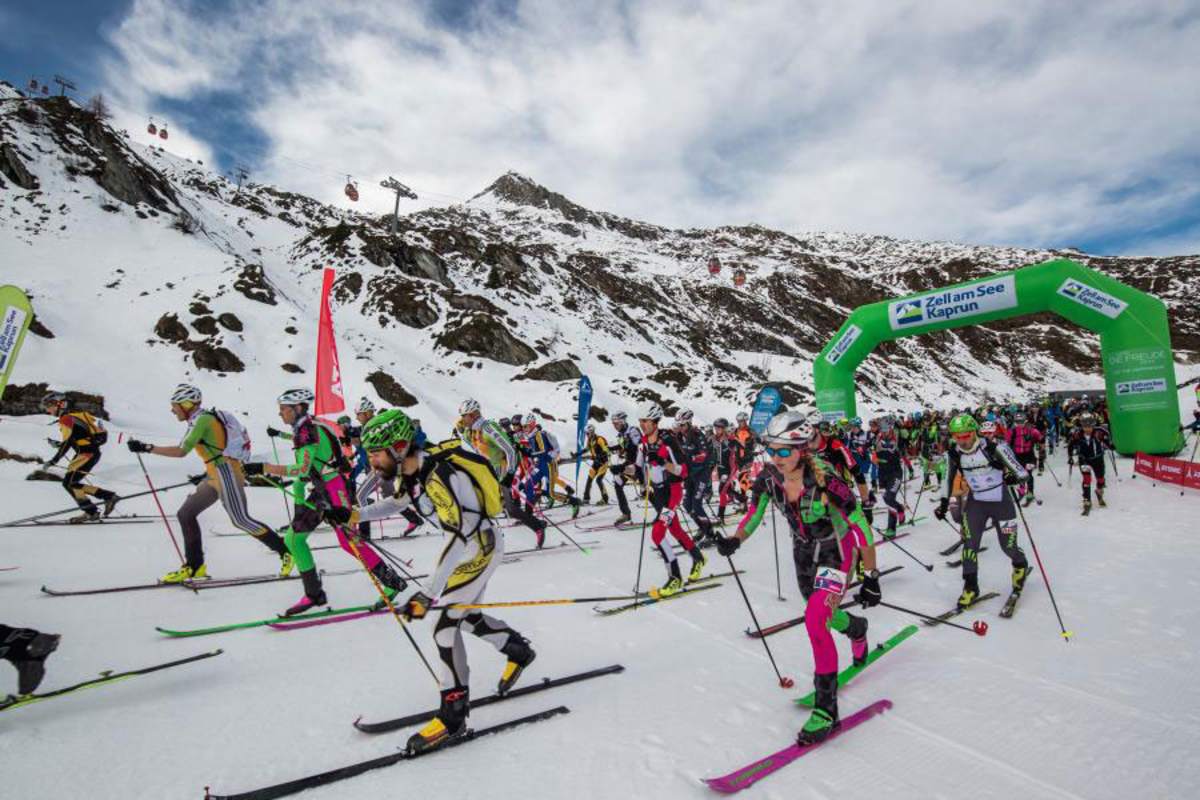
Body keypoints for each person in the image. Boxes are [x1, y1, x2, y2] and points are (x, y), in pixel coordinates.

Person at [328, 409, 535, 754]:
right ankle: (519, 650)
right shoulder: (413, 472)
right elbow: (398, 503)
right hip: (468, 551)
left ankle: (453, 716)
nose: (372, 461)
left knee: (443, 626)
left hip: (479, 549)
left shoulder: (439, 474)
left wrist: (427, 593)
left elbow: (458, 535)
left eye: (376, 453)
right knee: (465, 618)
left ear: (398, 446)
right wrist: (353, 514)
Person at [716, 411, 878, 745]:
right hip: (804, 553)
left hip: (836, 550)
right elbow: (754, 512)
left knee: (816, 620)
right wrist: (736, 539)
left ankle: (826, 711)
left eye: (785, 450)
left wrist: (872, 574)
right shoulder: (768, 476)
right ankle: (856, 628)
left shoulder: (825, 477)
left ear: (803, 448)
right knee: (823, 614)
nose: (777, 457)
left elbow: (860, 524)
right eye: (772, 449)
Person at [245, 388, 406, 616]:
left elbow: (303, 468)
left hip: (334, 489)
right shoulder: (305, 428)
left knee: (348, 542)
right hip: (322, 489)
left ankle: (392, 582)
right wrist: (279, 437)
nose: (280, 414)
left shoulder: (308, 429)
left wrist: (263, 468)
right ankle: (313, 594)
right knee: (294, 538)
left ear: (297, 408)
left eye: (283, 409)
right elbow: (305, 451)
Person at [127, 384, 291, 583]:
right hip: (215, 474)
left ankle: (286, 552)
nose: (173, 410)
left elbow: (181, 451)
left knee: (241, 520)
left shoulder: (202, 420)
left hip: (225, 473)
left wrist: (147, 447)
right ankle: (195, 567)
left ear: (187, 405)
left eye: (175, 406)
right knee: (185, 514)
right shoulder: (199, 419)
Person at [935, 414, 1030, 610]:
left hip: (1001, 502)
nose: (962, 440)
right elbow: (946, 479)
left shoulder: (995, 447)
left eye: (966, 435)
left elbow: (1022, 473)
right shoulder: (953, 453)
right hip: (976, 502)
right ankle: (970, 586)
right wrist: (944, 503)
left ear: (975, 432)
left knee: (1008, 547)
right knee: (970, 545)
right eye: (957, 436)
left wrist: (1010, 476)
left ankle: (1019, 565)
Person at [629, 403, 706, 595]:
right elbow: (636, 468)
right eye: (640, 421)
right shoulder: (644, 442)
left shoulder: (668, 441)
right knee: (676, 529)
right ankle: (698, 558)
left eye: (645, 421)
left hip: (672, 493)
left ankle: (675, 578)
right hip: (657, 494)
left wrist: (663, 462)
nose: (642, 425)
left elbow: (683, 470)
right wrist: (622, 470)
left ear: (655, 421)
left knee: (657, 534)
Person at [457, 398, 545, 545]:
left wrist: (510, 475)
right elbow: (464, 437)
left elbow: (510, 451)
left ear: (472, 415)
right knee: (487, 508)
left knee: (507, 509)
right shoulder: (472, 431)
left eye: (464, 416)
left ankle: (537, 527)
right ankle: (488, 540)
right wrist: (460, 429)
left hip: (502, 474)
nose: (462, 419)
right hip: (487, 475)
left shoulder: (488, 428)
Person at [42, 392, 119, 523]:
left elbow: (68, 442)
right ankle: (104, 501)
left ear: (60, 404)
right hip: (89, 452)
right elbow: (76, 438)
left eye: (49, 406)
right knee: (71, 483)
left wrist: (53, 461)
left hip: (85, 454)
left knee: (70, 483)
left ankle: (94, 509)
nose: (47, 410)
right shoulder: (75, 416)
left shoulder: (65, 419)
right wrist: (59, 445)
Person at [673, 409, 716, 544]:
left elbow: (704, 455)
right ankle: (702, 528)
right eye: (679, 425)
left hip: (702, 473)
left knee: (697, 504)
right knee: (687, 505)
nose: (680, 427)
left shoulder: (697, 434)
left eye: (683, 425)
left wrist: (691, 457)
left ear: (689, 423)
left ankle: (710, 533)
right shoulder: (679, 436)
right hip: (689, 475)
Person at [1, 626, 60, 699]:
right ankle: (25, 693)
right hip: (34, 646)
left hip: (35, 646)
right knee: (29, 667)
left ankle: (26, 693)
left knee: (30, 666)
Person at [1068, 413, 1110, 514]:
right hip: (1084, 459)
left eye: (1090, 426)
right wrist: (1070, 457)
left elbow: (1108, 436)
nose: (1088, 429)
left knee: (1100, 479)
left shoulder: (1099, 431)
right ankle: (1087, 500)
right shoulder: (1077, 433)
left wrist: (1109, 443)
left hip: (1098, 458)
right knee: (1087, 479)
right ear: (1081, 425)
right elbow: (1070, 445)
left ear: (1093, 424)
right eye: (1085, 426)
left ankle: (1099, 492)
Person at [610, 411, 643, 526]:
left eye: (617, 423)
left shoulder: (632, 431)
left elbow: (641, 448)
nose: (615, 426)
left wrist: (623, 466)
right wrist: (611, 449)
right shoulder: (622, 434)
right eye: (613, 424)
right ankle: (626, 514)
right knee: (617, 483)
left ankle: (663, 513)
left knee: (647, 490)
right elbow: (624, 447)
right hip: (630, 465)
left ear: (623, 422)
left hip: (640, 465)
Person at [1008, 411, 1044, 506]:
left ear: (1025, 421)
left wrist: (1039, 443)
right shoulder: (1013, 430)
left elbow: (1040, 438)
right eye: (1017, 422)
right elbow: (1007, 442)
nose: (1019, 424)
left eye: (1021, 422)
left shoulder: (1031, 430)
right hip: (1017, 455)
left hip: (1029, 455)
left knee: (1028, 474)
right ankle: (1022, 490)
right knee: (1020, 474)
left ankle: (1030, 493)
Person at [580, 424, 611, 505]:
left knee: (598, 480)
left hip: (603, 463)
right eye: (586, 434)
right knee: (589, 479)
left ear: (592, 432)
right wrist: (577, 454)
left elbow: (606, 450)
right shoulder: (590, 440)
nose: (587, 435)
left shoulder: (599, 439)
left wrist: (599, 456)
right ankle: (586, 498)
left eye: (587, 433)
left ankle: (605, 498)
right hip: (596, 463)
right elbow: (587, 449)